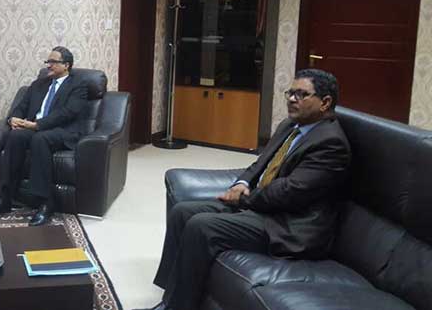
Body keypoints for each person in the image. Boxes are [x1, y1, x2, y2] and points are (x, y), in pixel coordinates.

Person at [137, 69, 351, 310]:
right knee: (182, 212)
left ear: (325, 102)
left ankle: (176, 307)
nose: (292, 99)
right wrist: (242, 184)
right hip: (265, 208)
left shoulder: (330, 143)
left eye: (301, 94)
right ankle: (171, 295)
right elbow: (261, 164)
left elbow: (290, 192)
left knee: (201, 226)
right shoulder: (291, 126)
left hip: (289, 224)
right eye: (290, 93)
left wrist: (243, 199)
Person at [0, 46, 88, 226]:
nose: (48, 65)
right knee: (15, 137)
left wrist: (38, 125)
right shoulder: (38, 84)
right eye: (48, 61)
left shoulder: (78, 85)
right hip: (35, 127)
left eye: (53, 62)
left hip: (63, 130)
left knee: (40, 138)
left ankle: (45, 202)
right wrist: (13, 119)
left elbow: (68, 113)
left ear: (66, 65)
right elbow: (21, 106)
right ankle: (5, 198)